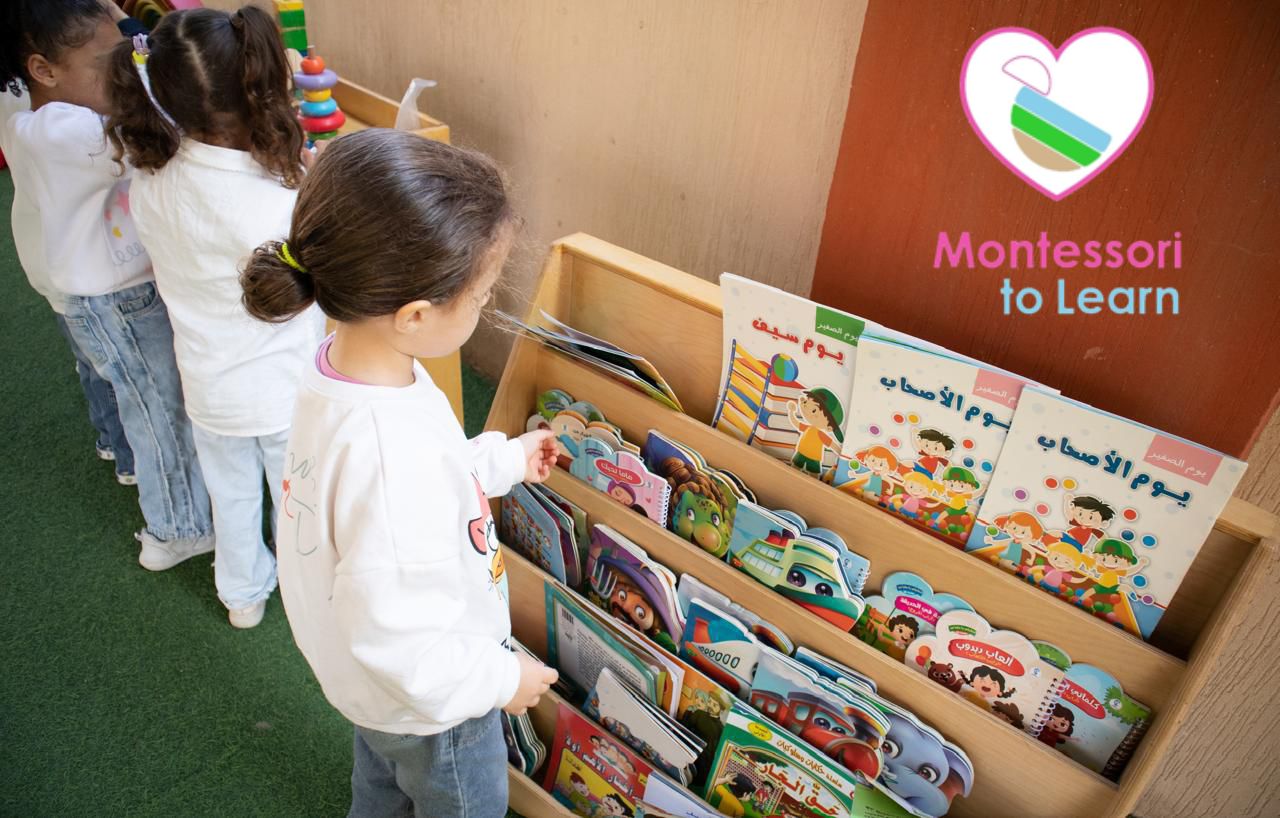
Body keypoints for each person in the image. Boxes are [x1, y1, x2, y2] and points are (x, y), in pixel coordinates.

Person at [242, 129, 559, 817]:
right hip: (435, 709)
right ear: (414, 316)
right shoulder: (389, 451)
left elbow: (422, 478)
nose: (484, 308)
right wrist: (502, 678)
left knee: (381, 786)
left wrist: (504, 460)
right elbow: (404, 641)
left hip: (371, 692)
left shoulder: (345, 369)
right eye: (481, 297)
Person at [105, 5, 321, 628]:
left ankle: (242, 596)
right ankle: (306, 590)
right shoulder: (274, 195)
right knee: (296, 499)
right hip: (282, 386)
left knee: (230, 496)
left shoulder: (150, 181)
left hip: (207, 383)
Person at [0, 0, 212, 564]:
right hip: (116, 295)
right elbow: (163, 135)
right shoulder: (71, 132)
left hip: (87, 287)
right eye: (106, 65)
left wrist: (122, 26)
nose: (122, 77)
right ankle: (180, 530)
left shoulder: (38, 118)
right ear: (44, 70)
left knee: (119, 383)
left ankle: (121, 454)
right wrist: (141, 44)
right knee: (159, 408)